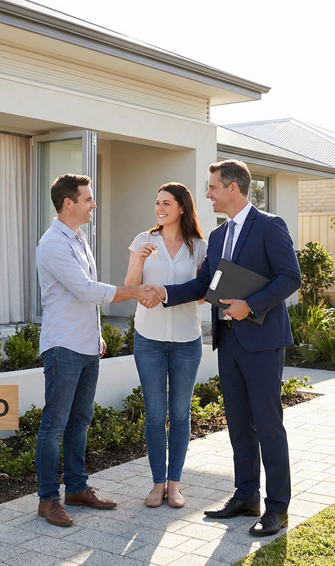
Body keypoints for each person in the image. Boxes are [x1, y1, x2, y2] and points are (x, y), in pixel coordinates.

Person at [146, 160, 301, 536]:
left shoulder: (269, 225)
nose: (208, 194)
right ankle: (246, 495)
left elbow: (290, 276)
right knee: (238, 424)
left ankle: (277, 507)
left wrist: (252, 304)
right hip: (228, 341)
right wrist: (165, 293)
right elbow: (204, 284)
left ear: (233, 188)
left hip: (262, 342)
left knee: (268, 425)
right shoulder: (216, 237)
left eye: (212, 187)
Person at [35, 173, 164, 527]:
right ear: (68, 204)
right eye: (88, 199)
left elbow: (83, 297)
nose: (94, 204)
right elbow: (86, 289)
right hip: (63, 346)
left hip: (86, 344)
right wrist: (135, 292)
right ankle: (48, 499)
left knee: (80, 420)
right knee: (54, 424)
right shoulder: (53, 244)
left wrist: (96, 335)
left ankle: (76, 488)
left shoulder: (78, 238)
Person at [125, 182, 207, 509]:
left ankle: (175, 485)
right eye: (157, 202)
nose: (159, 208)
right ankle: (157, 483)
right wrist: (138, 262)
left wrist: (169, 291)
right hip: (149, 340)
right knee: (156, 413)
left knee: (181, 412)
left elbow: (202, 294)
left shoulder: (199, 247)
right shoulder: (143, 240)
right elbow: (129, 287)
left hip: (187, 340)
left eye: (167, 203)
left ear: (182, 207)